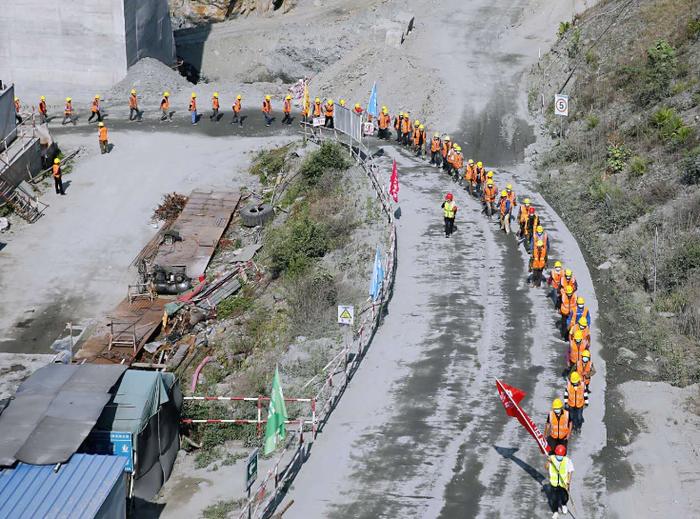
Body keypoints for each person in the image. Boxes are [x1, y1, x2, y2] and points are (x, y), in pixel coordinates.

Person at [546, 444, 574, 518]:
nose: (559, 456)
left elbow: (570, 471)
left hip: (564, 483)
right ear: (555, 453)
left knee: (565, 497)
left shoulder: (567, 460)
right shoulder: (551, 458)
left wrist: (568, 482)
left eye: (561, 455)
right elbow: (546, 467)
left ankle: (564, 505)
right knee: (554, 498)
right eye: (558, 454)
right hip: (554, 483)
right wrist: (548, 462)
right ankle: (555, 512)